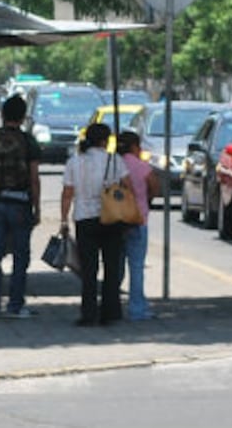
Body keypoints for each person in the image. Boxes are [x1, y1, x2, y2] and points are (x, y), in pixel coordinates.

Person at [0, 94, 42, 319]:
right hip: (21, 203)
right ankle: (15, 304)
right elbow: (34, 178)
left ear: (3, 114)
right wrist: (37, 207)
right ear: (23, 117)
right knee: (20, 256)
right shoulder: (28, 141)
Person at [60, 123, 130, 326]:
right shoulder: (114, 160)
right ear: (105, 140)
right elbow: (128, 185)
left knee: (88, 270)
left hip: (84, 218)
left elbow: (67, 193)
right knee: (111, 266)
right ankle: (110, 311)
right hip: (111, 217)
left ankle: (88, 313)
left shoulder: (75, 161)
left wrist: (64, 219)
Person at [117, 130, 161, 321]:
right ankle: (137, 309)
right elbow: (155, 187)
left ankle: (113, 305)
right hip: (139, 219)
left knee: (116, 266)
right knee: (136, 267)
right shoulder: (141, 166)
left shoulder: (114, 164)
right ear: (135, 146)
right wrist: (146, 198)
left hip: (116, 220)